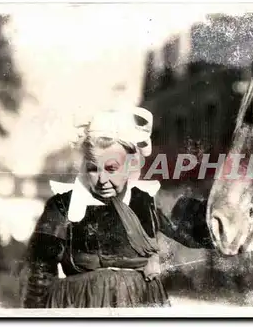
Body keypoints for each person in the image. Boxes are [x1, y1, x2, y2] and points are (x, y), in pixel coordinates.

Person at [22, 107, 214, 308]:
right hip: (82, 308)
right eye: (93, 169)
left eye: (111, 168)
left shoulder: (149, 201)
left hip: (139, 306)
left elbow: (203, 228)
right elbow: (39, 276)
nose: (102, 179)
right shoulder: (62, 207)